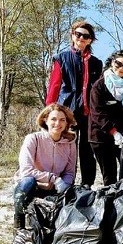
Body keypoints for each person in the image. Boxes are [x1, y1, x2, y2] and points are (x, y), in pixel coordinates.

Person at [46, 20, 103, 188]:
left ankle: (87, 184)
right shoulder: (61, 58)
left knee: (87, 150)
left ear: (90, 40)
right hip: (67, 111)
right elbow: (54, 85)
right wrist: (50, 110)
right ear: (72, 36)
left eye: (86, 36)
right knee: (66, 149)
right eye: (78, 34)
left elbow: (98, 89)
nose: (81, 38)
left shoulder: (96, 63)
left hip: (89, 112)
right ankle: (63, 183)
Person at [12, 104, 77, 230]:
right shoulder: (33, 139)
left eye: (62, 120)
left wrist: (64, 185)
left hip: (55, 188)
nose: (57, 123)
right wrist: (53, 179)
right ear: (45, 120)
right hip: (34, 184)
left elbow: (70, 172)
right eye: (53, 119)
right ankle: (19, 220)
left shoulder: (70, 143)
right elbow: (26, 170)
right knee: (26, 182)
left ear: (67, 123)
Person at [88, 50, 123, 186]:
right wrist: (113, 132)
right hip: (101, 135)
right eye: (118, 64)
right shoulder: (99, 85)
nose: (121, 69)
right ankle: (110, 202)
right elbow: (97, 112)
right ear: (111, 62)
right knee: (110, 175)